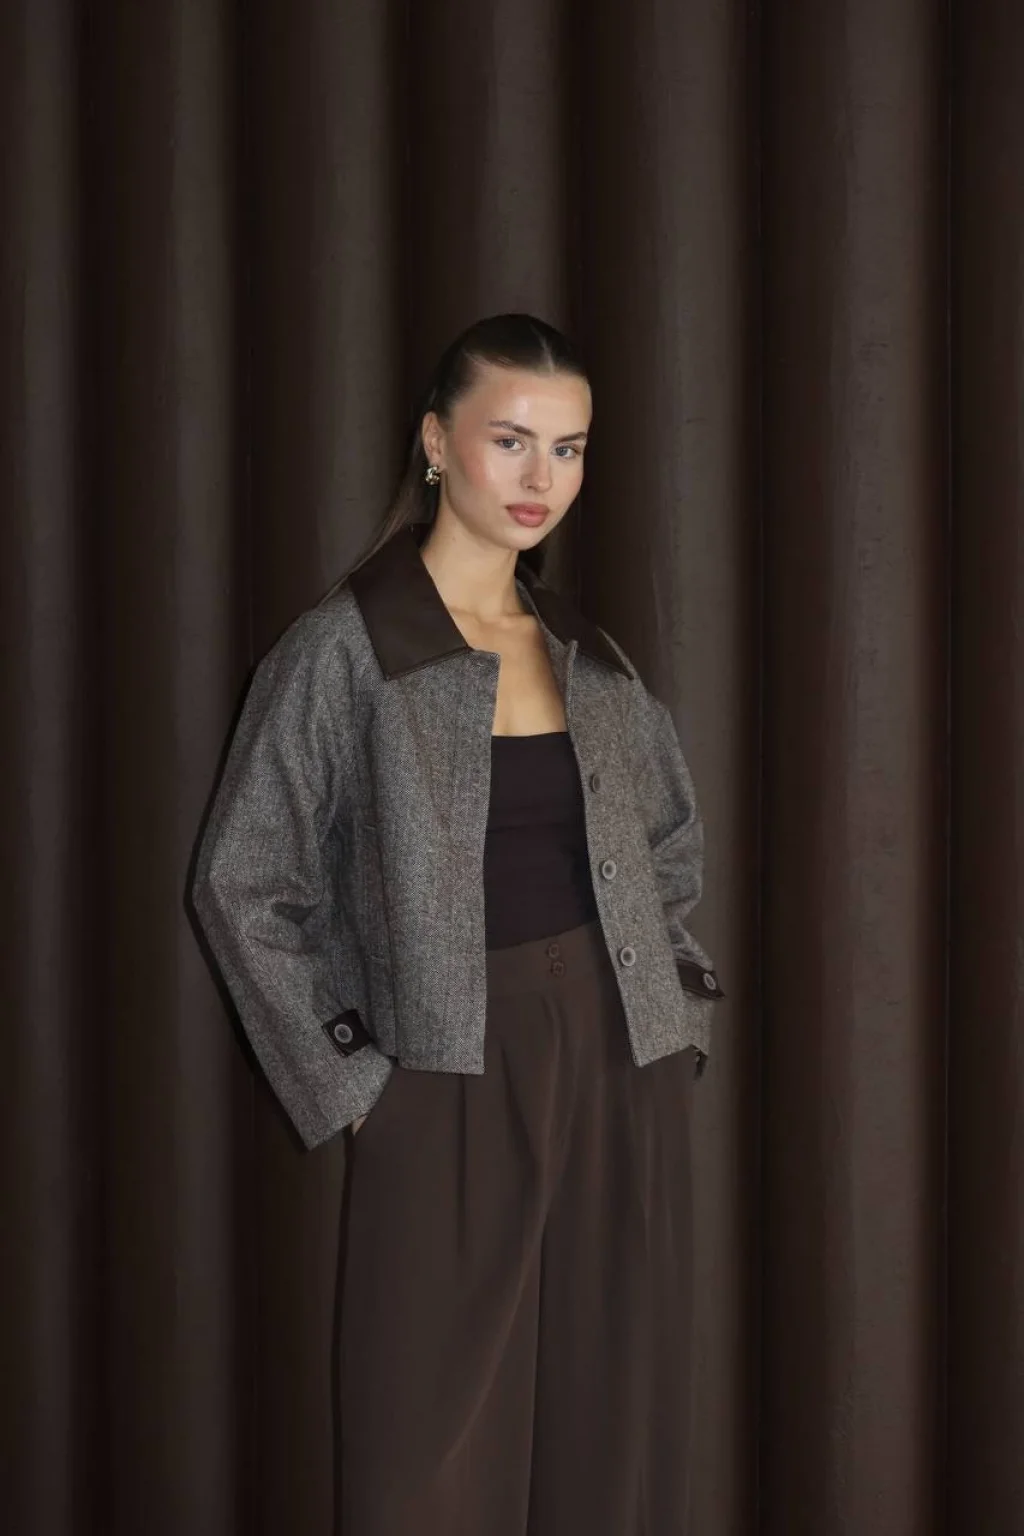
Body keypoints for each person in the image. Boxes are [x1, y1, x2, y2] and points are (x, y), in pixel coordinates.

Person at [192, 312, 725, 1534]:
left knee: (611, 1423)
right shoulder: (345, 649)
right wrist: (358, 1085)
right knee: (427, 1452)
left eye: (569, 448)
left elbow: (668, 846)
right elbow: (241, 879)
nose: (543, 478)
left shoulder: (586, 653)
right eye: (510, 439)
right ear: (436, 442)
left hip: (620, 1057)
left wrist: (678, 1009)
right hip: (443, 1073)